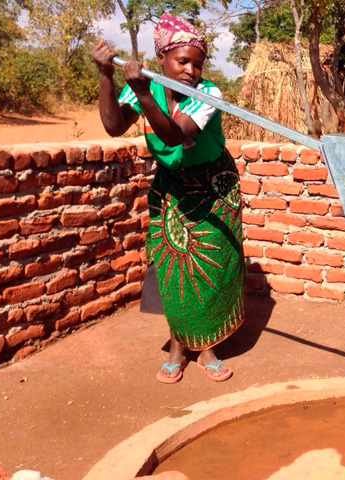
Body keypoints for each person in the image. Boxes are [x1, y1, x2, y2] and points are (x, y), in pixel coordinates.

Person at [91, 13, 244, 383]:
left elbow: (176, 135)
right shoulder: (143, 89)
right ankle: (178, 344)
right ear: (162, 59)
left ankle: (207, 346)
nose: (191, 70)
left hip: (214, 185)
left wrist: (144, 94)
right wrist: (106, 76)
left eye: (198, 63)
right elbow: (113, 126)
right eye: (182, 61)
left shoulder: (208, 94)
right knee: (172, 266)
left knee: (211, 269)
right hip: (172, 183)